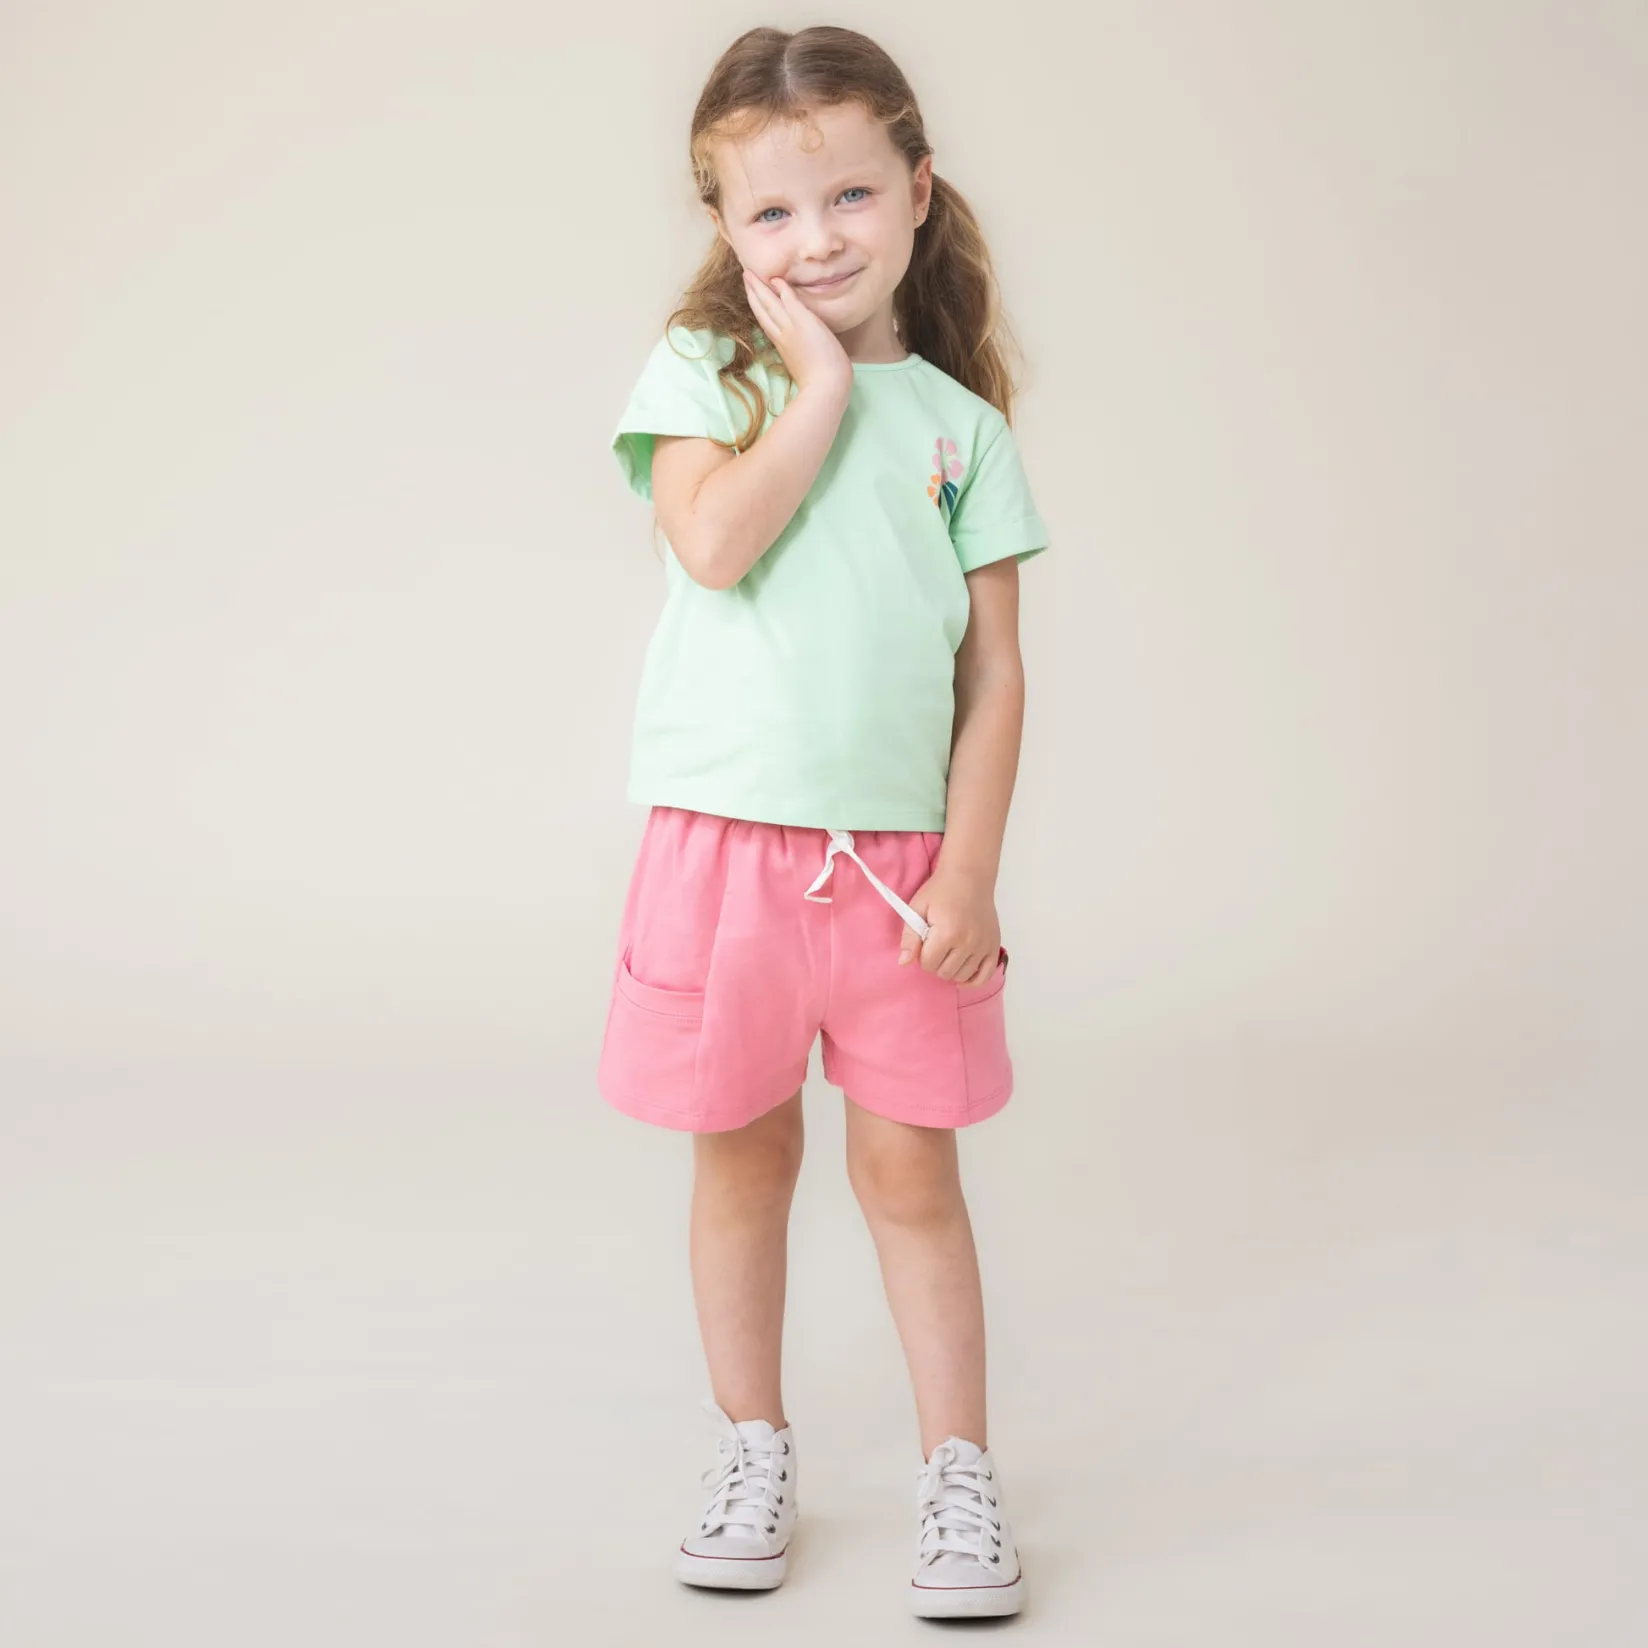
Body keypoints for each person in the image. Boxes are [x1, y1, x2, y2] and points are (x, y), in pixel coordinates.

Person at [598, 24, 1049, 1621]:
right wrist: (820, 389)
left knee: (912, 1175)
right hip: (723, 852)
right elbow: (715, 545)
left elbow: (993, 674)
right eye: (773, 212)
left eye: (851, 194)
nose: (818, 239)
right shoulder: (704, 375)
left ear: (917, 190)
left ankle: (958, 1474)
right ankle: (752, 1446)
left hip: (902, 873)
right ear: (727, 226)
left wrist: (974, 870)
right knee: (744, 1161)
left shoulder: (966, 429)